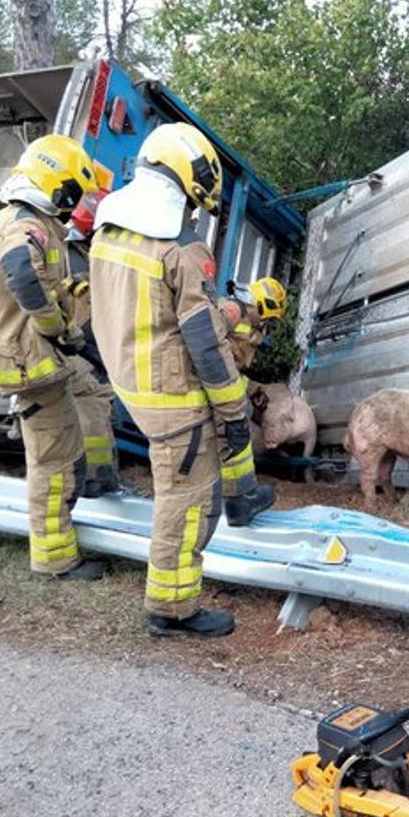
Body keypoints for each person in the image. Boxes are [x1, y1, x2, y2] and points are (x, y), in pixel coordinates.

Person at [89, 122, 274, 638]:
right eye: (195, 201)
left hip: (136, 386)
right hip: (175, 399)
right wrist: (235, 413)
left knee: (178, 495)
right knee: (188, 503)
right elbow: (206, 346)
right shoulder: (179, 252)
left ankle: (169, 602)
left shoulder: (109, 232)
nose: (194, 213)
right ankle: (172, 608)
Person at [0, 134, 105, 581]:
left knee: (62, 453)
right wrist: (58, 329)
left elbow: (38, 279)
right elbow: (23, 273)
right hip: (29, 364)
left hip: (29, 361)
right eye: (74, 195)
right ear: (59, 186)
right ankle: (56, 561)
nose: (73, 205)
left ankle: (61, 547)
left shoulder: (14, 218)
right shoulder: (27, 226)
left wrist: (70, 300)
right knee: (54, 463)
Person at [214, 276, 288, 518]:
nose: (265, 325)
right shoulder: (232, 311)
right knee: (233, 436)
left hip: (218, 388)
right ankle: (240, 500)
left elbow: (230, 368)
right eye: (269, 318)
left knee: (232, 438)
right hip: (211, 389)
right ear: (263, 305)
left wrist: (253, 389)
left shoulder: (244, 319)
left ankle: (240, 500)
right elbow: (206, 346)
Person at [63, 188, 120, 497]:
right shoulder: (73, 259)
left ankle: (102, 474)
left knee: (95, 409)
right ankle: (96, 477)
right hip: (78, 351)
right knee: (93, 410)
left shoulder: (75, 253)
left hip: (82, 349)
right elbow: (87, 315)